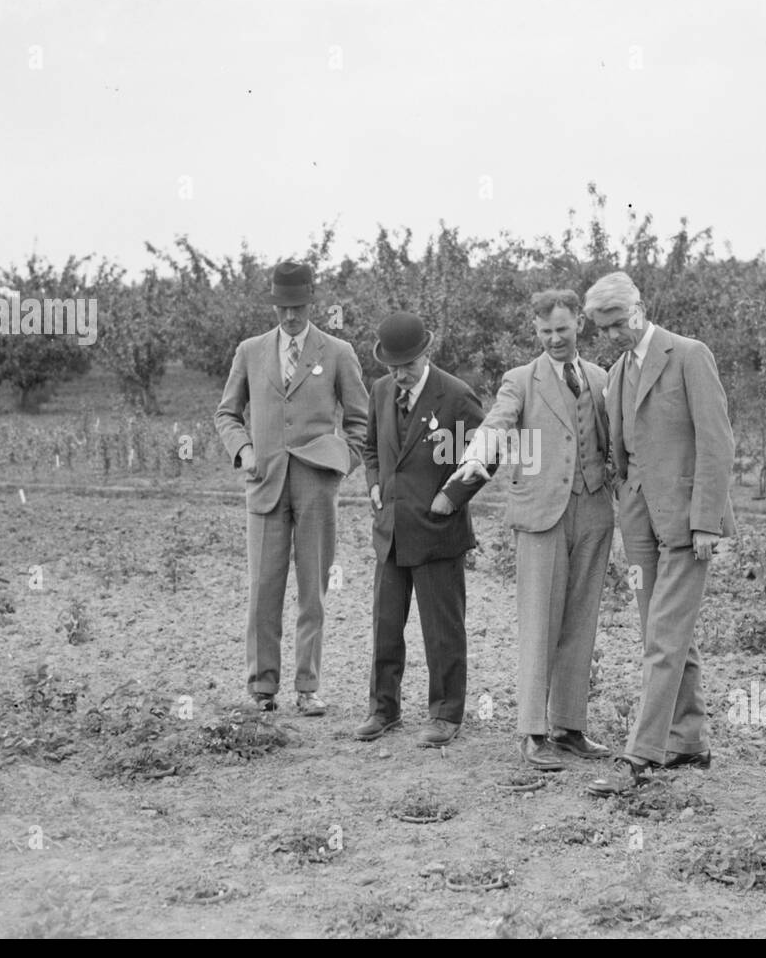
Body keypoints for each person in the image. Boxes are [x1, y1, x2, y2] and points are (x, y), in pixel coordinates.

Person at [447, 289, 614, 769]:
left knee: (581, 622)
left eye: (562, 329)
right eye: (545, 333)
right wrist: (476, 456)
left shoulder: (602, 379)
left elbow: (614, 439)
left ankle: (569, 727)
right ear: (535, 332)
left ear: (578, 324)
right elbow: (497, 424)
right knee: (539, 622)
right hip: (541, 514)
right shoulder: (520, 380)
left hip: (593, 512)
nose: (555, 339)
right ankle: (531, 732)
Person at [582, 272, 736, 795]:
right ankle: (689, 740)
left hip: (687, 523)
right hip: (640, 523)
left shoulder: (690, 354)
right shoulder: (619, 370)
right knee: (661, 634)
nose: (611, 336)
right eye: (601, 329)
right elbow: (623, 451)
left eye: (617, 324)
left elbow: (717, 442)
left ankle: (640, 757)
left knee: (664, 639)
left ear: (640, 309)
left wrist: (706, 522)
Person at [214, 261, 367, 716]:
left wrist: (342, 462)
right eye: (282, 307)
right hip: (264, 485)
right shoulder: (250, 350)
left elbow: (360, 422)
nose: (289, 317)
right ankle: (262, 687)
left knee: (312, 590)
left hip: (316, 487)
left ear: (310, 303)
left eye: (297, 307)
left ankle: (308, 687)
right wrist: (243, 451)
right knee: (263, 588)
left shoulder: (338, 351)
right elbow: (227, 413)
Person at [355, 312, 493, 747]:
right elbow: (371, 447)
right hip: (392, 531)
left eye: (407, 365)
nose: (399, 374)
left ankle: (446, 714)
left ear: (426, 353)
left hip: (437, 533)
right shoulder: (380, 392)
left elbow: (487, 453)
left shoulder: (455, 396)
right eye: (392, 366)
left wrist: (450, 497)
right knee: (385, 625)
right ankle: (383, 708)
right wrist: (374, 483)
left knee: (442, 629)